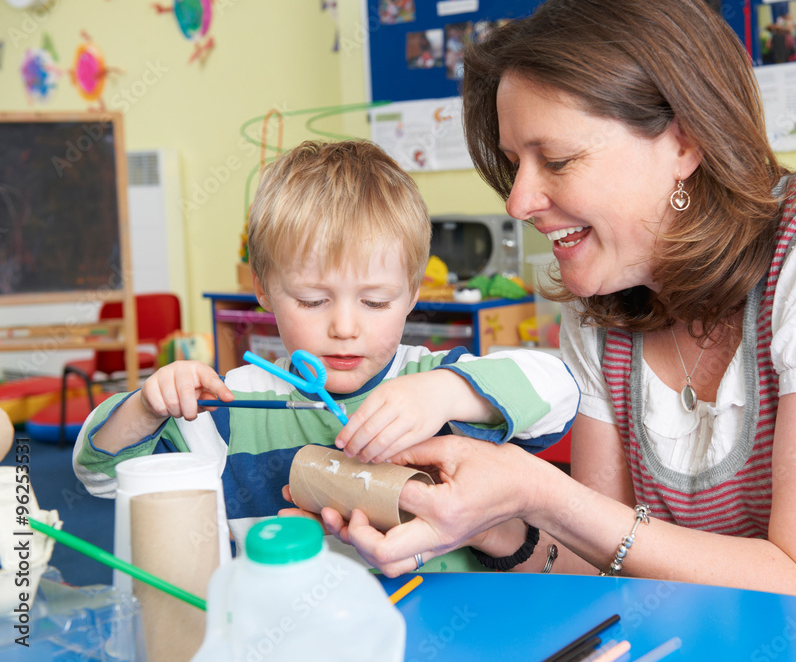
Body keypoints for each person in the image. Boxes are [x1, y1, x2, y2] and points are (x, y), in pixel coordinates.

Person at [322, 0, 796, 633]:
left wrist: (544, 493)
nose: (519, 200)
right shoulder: (603, 307)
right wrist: (498, 520)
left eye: (555, 159)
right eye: (513, 164)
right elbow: (594, 569)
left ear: (684, 142)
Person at [72, 139, 579, 554]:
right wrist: (146, 404)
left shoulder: (432, 382)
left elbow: (559, 394)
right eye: (313, 301)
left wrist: (447, 393)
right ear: (265, 289)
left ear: (413, 294)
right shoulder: (224, 411)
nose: (344, 327)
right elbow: (102, 477)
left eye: (375, 302)